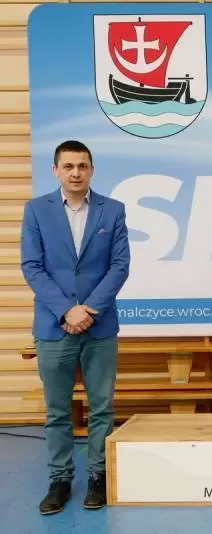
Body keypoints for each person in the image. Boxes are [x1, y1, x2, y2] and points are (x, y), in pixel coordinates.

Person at [20, 140, 130, 514]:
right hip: (54, 327)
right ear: (56, 170)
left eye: (82, 166)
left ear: (92, 169)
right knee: (57, 412)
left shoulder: (113, 210)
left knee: (102, 408)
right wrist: (67, 311)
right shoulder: (36, 210)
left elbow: (119, 266)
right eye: (68, 166)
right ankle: (60, 480)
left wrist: (89, 310)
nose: (76, 172)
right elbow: (32, 266)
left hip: (100, 327)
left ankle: (98, 476)